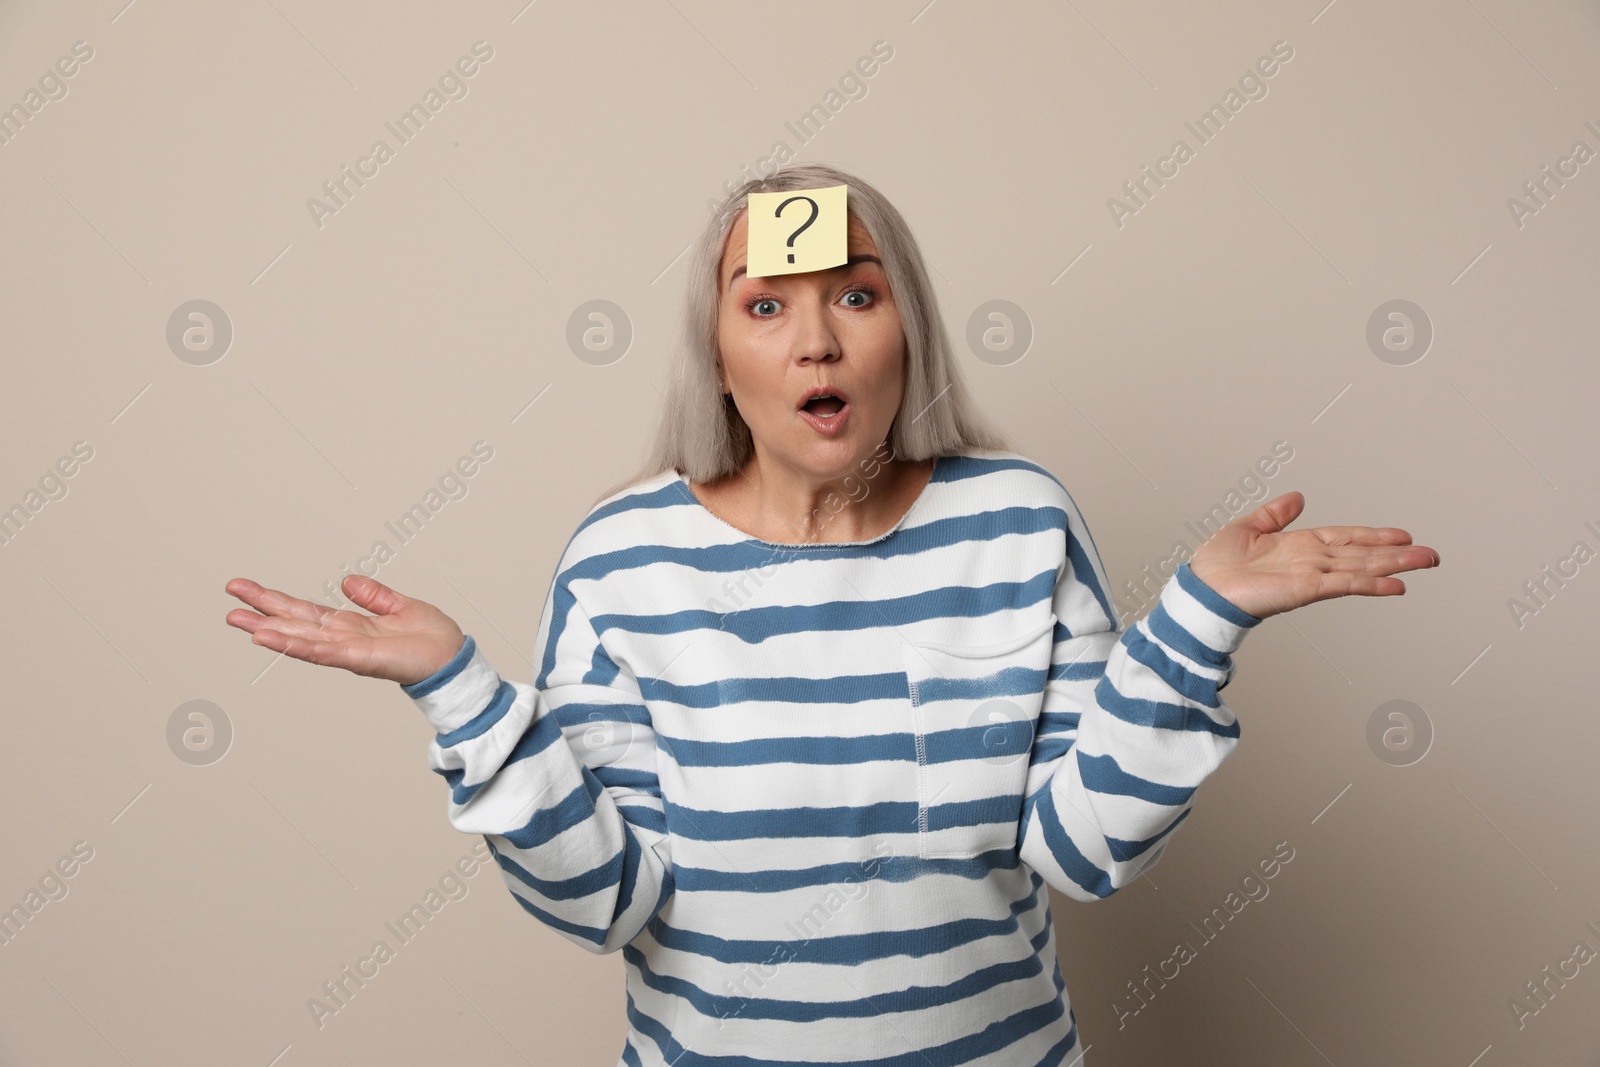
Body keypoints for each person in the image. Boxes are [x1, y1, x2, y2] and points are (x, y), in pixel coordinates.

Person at [224, 162, 1439, 1065]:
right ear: (714, 352)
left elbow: (1080, 847)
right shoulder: (624, 559)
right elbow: (606, 899)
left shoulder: (1013, 521)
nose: (816, 342)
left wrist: (1198, 621)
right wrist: (464, 696)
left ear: (908, 327)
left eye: (856, 296)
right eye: (765, 307)